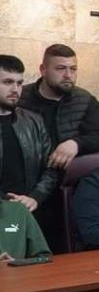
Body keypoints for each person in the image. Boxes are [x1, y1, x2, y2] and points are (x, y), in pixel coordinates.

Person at [18, 44, 99, 172]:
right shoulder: (19, 97)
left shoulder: (86, 101)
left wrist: (76, 144)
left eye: (73, 69)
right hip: (25, 171)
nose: (68, 75)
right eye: (61, 68)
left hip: (67, 173)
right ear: (43, 70)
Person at [0, 55, 59, 219]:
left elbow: (51, 168)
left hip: (29, 211)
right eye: (8, 82)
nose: (15, 89)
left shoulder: (34, 121)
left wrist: (35, 197)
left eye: (19, 83)